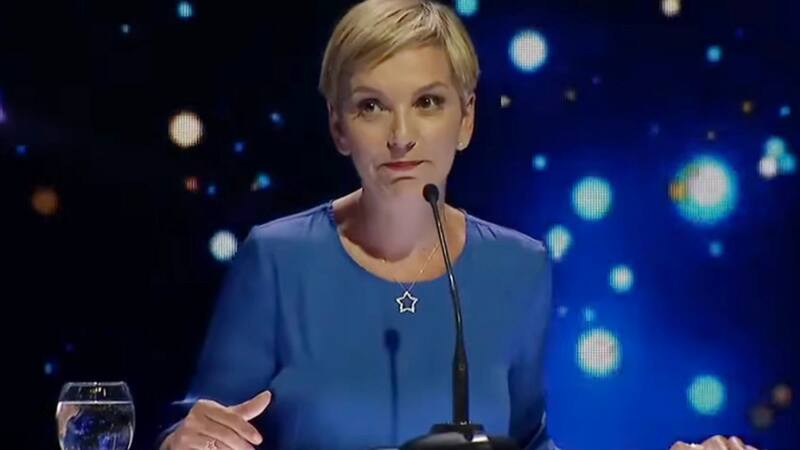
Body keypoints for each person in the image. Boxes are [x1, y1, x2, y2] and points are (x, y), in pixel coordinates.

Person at [156, 1, 760, 449]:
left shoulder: (519, 266)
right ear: (339, 127)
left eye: (427, 102)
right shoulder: (276, 259)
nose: (401, 136)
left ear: (466, 119)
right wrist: (182, 442)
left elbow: (528, 442)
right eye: (371, 106)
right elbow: (199, 429)